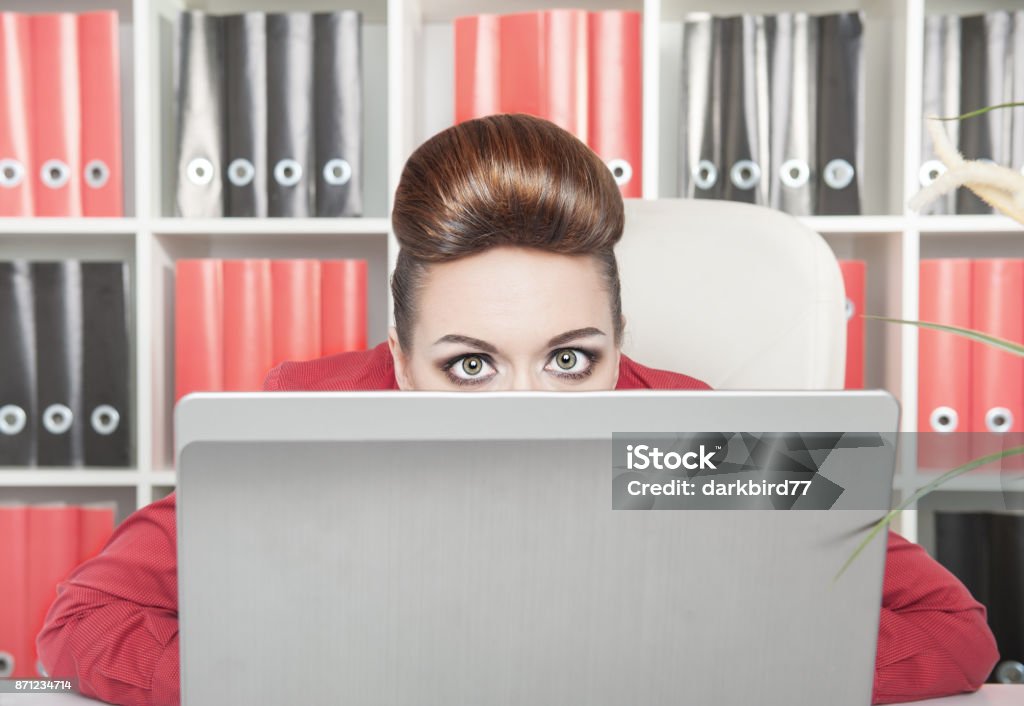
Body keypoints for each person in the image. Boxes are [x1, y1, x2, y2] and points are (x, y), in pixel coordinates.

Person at [37, 114, 998, 706]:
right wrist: (336, 678)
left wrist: (661, 675)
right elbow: (87, 622)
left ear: (620, 341)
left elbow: (952, 630)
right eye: (470, 366)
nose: (530, 406)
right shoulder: (314, 414)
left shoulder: (701, 430)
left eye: (572, 358)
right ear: (401, 360)